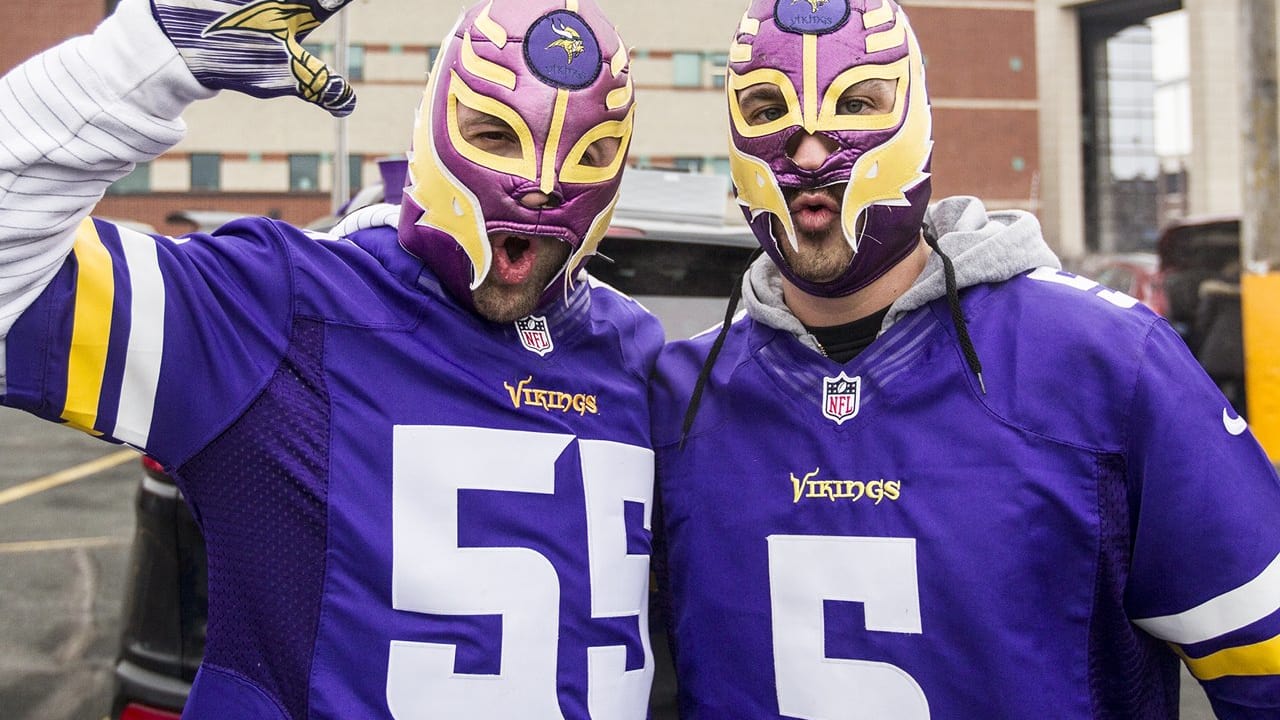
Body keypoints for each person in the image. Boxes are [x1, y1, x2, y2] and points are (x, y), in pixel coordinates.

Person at [0, 0, 662, 717]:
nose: (541, 185)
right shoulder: (279, 310)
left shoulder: (639, 353)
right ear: (432, 127)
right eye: (495, 133)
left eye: (590, 152)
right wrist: (143, 58)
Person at [649, 0, 1280, 717]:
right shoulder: (680, 396)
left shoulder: (1102, 361)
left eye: (855, 103)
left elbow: (1265, 661)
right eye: (768, 110)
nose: (811, 155)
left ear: (919, 118)